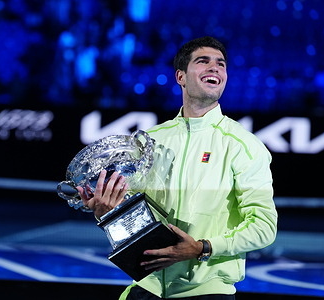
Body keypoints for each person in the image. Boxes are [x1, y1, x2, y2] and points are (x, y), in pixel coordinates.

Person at [77, 36, 278, 299]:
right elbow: (135, 221)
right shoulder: (151, 140)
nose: (214, 67)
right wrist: (108, 214)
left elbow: (264, 227)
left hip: (206, 292)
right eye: (203, 61)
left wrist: (202, 247)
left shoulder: (244, 145)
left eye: (221, 64)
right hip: (146, 288)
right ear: (181, 77)